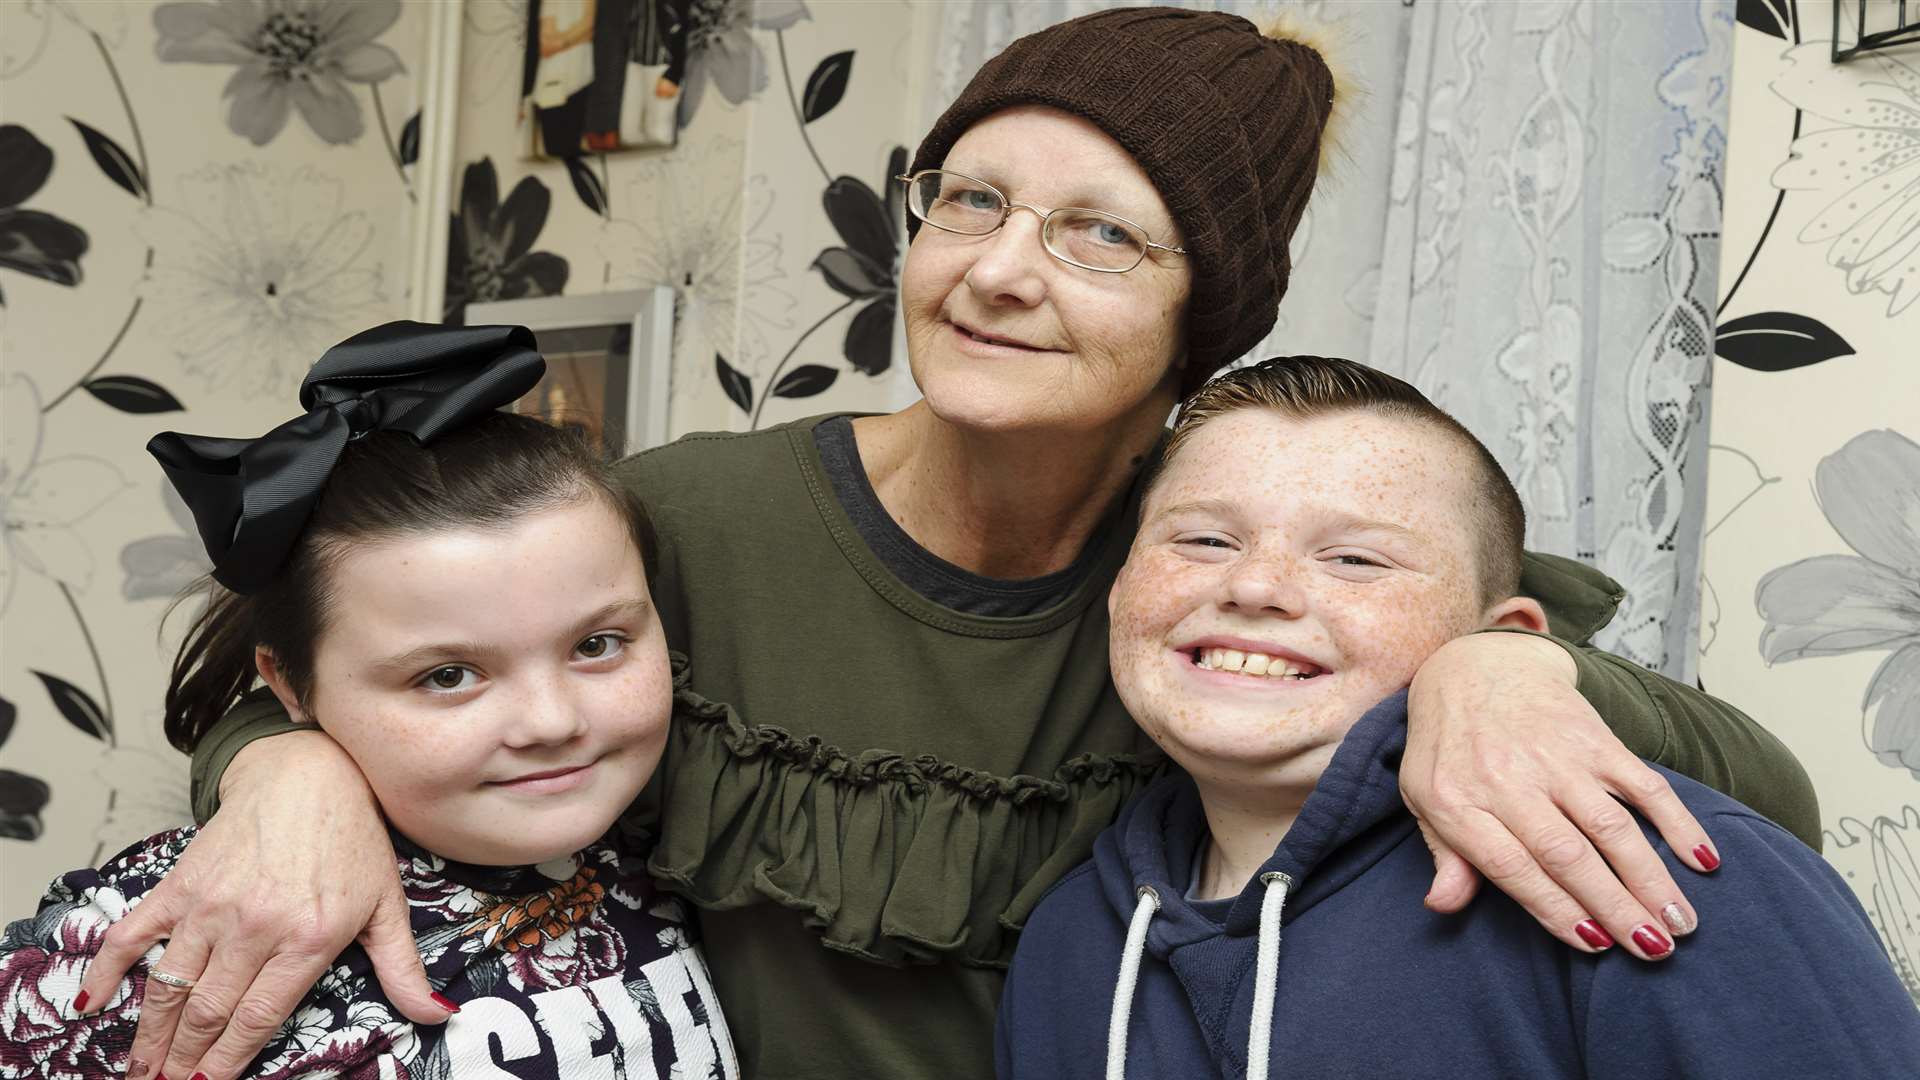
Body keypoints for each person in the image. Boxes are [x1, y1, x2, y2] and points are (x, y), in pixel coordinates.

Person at [74, 10, 1819, 1080]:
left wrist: (1498, 666)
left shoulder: (1214, 591)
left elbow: (1759, 800)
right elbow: (393, 671)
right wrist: (281, 770)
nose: (997, 268)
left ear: (1203, 314)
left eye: (1096, 236)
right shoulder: (693, 521)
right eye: (968, 199)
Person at [997, 357, 1920, 1079]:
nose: (1255, 586)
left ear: (1503, 638)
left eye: (1357, 559)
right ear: (1120, 589)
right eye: (1203, 539)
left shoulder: (1647, 872)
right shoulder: (1069, 937)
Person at [1, 323, 736, 1079]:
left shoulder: (684, 847)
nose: (553, 723)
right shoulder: (177, 935)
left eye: (596, 645)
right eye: (448, 676)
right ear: (289, 686)